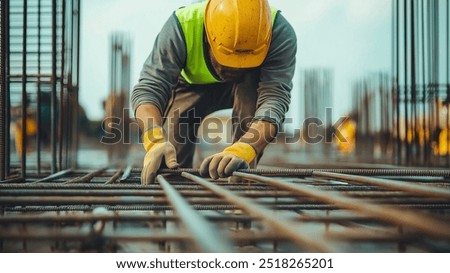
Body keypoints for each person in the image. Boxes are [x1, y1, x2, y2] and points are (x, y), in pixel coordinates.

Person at [132, 0, 297, 184]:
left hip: (247, 87)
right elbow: (149, 89)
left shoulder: (279, 32)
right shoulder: (181, 27)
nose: (235, 67)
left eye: (243, 60)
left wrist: (244, 149)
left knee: (241, 161)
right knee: (170, 160)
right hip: (188, 88)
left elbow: (274, 100)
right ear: (209, 36)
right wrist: (154, 140)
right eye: (228, 57)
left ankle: (240, 190)